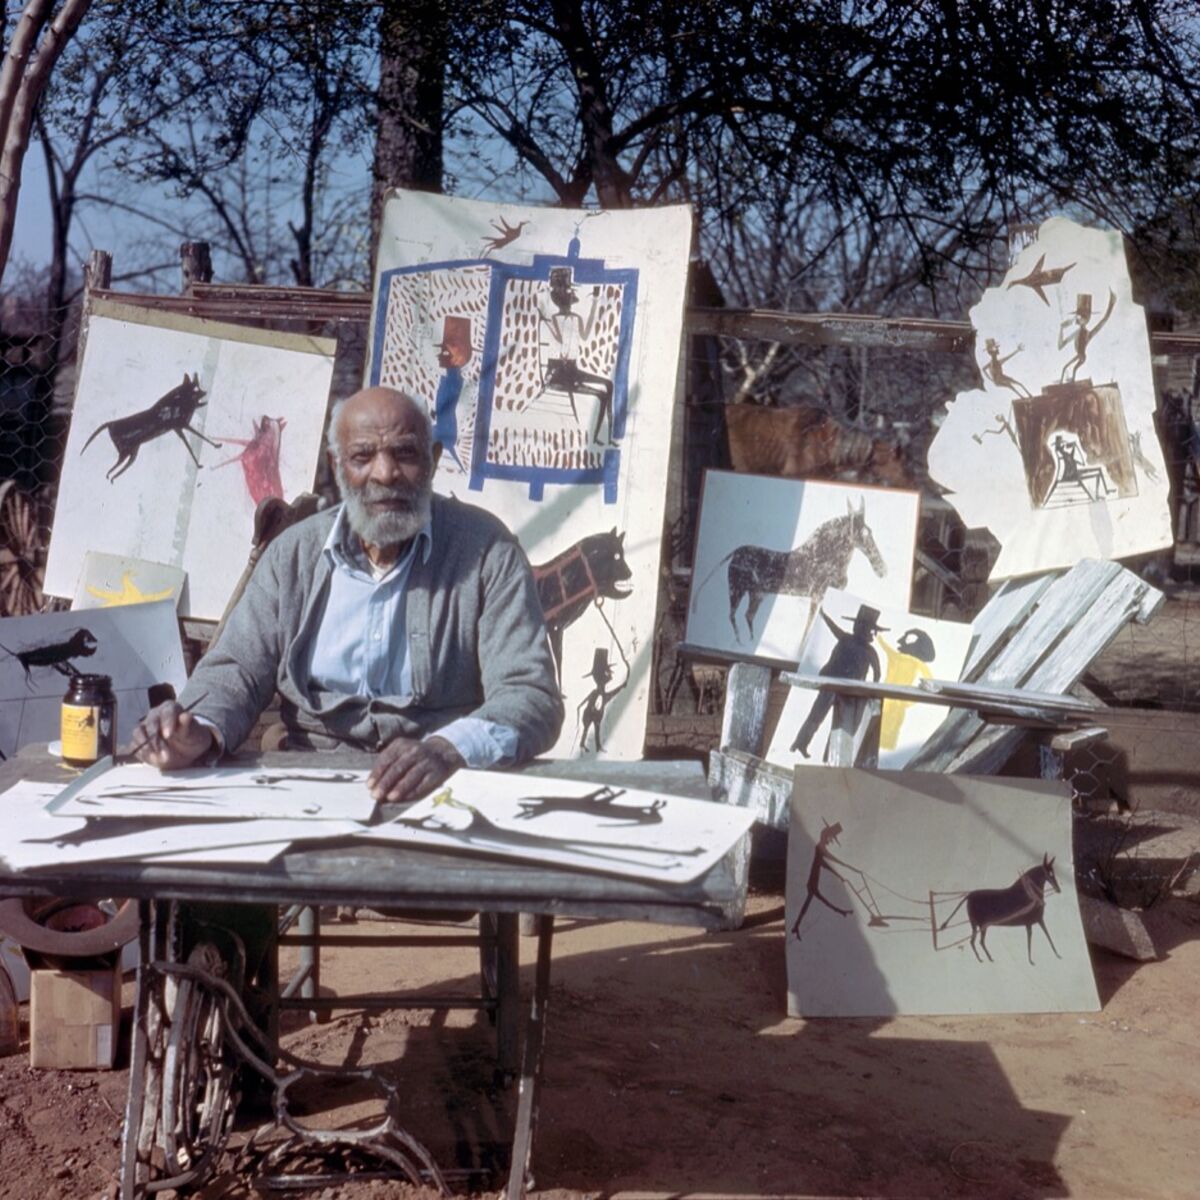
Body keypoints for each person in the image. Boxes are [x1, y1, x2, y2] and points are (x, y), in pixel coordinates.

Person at [131, 386, 564, 804]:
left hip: (440, 788)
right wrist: (196, 729)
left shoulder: (486, 551)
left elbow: (530, 695)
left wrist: (447, 749)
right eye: (362, 456)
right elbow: (237, 668)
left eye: (405, 454)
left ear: (432, 461)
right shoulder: (293, 555)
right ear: (336, 466)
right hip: (307, 785)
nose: (385, 474)